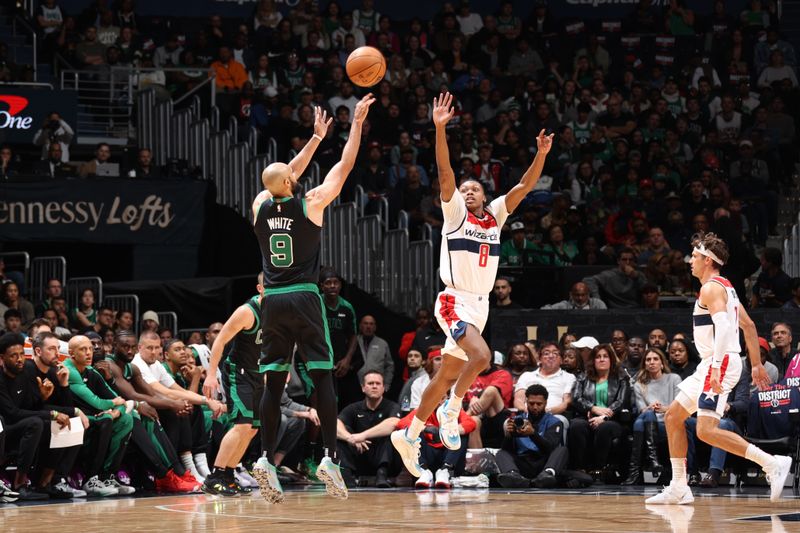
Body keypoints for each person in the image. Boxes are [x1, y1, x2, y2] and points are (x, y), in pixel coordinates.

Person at [391, 92, 553, 481]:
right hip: (453, 299)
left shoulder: (495, 215)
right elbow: (445, 173)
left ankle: (411, 434)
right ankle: (451, 410)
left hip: (480, 305)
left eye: (474, 189)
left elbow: (524, 187)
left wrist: (542, 155)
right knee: (481, 357)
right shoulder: (454, 214)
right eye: (464, 190)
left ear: (484, 194)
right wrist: (440, 128)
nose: (467, 193)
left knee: (446, 375)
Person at [251, 94, 373, 503]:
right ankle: (330, 457)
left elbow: (282, 177)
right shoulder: (311, 203)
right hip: (304, 296)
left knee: (273, 382)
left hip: (271, 301)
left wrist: (315, 139)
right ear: (289, 183)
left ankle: (266, 459)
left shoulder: (258, 207)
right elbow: (346, 166)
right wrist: (354, 125)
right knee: (322, 377)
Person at [646, 232, 791, 505]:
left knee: (706, 430)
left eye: (696, 256)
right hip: (714, 362)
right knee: (673, 417)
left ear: (709, 261)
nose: (691, 261)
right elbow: (747, 326)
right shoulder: (728, 287)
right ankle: (679, 486)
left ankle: (771, 463)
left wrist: (716, 368)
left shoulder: (711, 288)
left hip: (719, 362)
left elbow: (725, 328)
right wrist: (757, 365)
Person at [202, 275, 266, 496]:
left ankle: (229, 474)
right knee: (242, 425)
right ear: (260, 288)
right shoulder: (246, 312)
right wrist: (211, 375)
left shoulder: (278, 312)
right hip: (238, 373)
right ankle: (215, 476)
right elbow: (220, 340)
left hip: (257, 373)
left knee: (253, 428)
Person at [568, 344, 631, 480]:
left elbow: (621, 402)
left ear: (611, 360)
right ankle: (580, 468)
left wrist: (603, 417)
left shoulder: (621, 378)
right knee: (576, 426)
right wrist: (592, 408)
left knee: (605, 428)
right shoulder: (583, 377)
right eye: (598, 357)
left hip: (613, 419)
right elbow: (576, 398)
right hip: (588, 416)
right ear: (593, 360)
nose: (602, 360)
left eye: (605, 356)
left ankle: (599, 469)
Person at [623, 347, 681, 485]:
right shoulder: (639, 384)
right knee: (647, 415)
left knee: (639, 424)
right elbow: (642, 409)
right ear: (644, 364)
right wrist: (651, 408)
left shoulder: (674, 379)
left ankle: (635, 472)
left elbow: (679, 406)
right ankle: (652, 460)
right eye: (648, 360)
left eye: (655, 359)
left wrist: (663, 408)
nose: (652, 362)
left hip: (667, 422)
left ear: (662, 363)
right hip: (649, 422)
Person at [496, 384, 569, 489]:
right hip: (523, 462)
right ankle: (513, 476)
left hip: (543, 462)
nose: (535, 407)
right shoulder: (518, 420)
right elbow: (507, 450)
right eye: (531, 403)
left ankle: (546, 475)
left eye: (539, 404)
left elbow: (550, 448)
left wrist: (533, 434)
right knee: (501, 453)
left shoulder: (554, 422)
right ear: (526, 401)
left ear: (545, 403)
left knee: (562, 450)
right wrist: (509, 435)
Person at [336, 371, 400, 488]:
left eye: (378, 383)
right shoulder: (354, 408)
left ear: (383, 387)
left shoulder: (392, 406)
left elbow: (393, 423)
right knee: (343, 432)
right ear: (363, 388)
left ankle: (382, 475)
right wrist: (350, 438)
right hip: (361, 455)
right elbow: (335, 424)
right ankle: (347, 477)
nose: (374, 386)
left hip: (385, 459)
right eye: (370, 383)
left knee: (393, 434)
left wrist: (363, 435)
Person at [541, 281, 607, 310]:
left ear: (588, 294)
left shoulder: (598, 304)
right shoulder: (565, 305)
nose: (580, 298)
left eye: (583, 295)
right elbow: (544, 310)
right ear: (571, 295)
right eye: (577, 295)